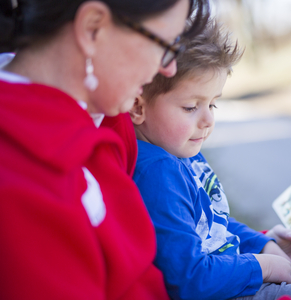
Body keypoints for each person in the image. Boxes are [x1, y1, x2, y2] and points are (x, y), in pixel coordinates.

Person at [0, 0, 209, 299]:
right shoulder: (20, 180)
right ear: (93, 28)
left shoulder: (109, 118)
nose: (169, 68)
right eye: (164, 45)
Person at [130, 19, 291, 300]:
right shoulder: (158, 173)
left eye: (213, 103)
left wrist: (263, 244)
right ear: (138, 107)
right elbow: (189, 279)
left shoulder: (181, 153)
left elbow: (214, 224)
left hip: (235, 278)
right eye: (191, 107)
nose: (208, 120)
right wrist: (261, 265)